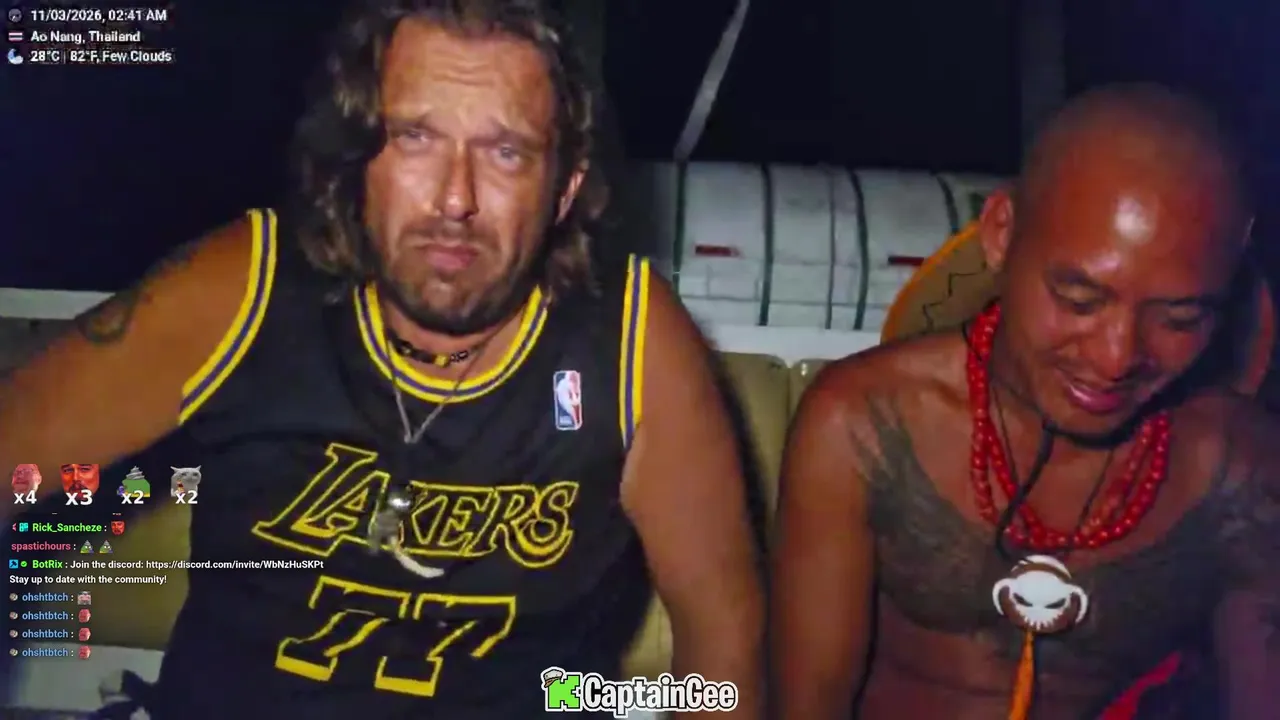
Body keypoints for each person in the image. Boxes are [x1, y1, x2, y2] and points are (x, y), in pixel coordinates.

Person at [0, 1, 764, 716]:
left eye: (505, 152)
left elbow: (723, 649)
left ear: (564, 190)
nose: (455, 200)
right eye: (415, 138)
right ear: (358, 158)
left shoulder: (633, 344)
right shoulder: (245, 291)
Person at [772, 85, 1280, 720]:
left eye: (1179, 318)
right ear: (1002, 235)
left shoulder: (1240, 467)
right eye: (1079, 300)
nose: (1117, 357)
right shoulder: (866, 423)